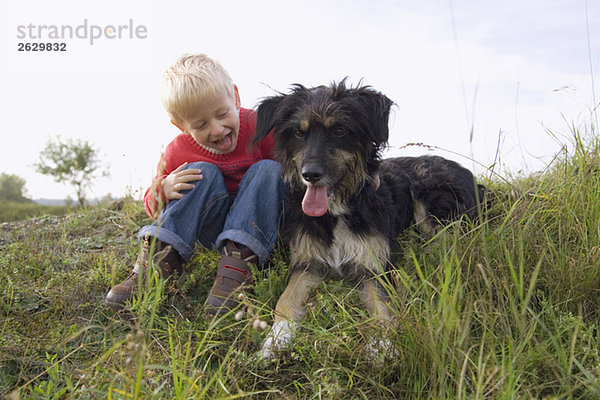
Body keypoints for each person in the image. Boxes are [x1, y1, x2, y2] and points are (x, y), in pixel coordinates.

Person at [105, 53, 285, 315]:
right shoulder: (177, 151)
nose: (216, 129)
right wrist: (163, 189)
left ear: (235, 97)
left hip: (263, 226)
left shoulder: (261, 128)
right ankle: (156, 264)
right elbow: (150, 200)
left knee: (269, 170)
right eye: (200, 124)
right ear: (181, 126)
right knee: (199, 172)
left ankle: (237, 270)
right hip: (215, 230)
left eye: (222, 114)